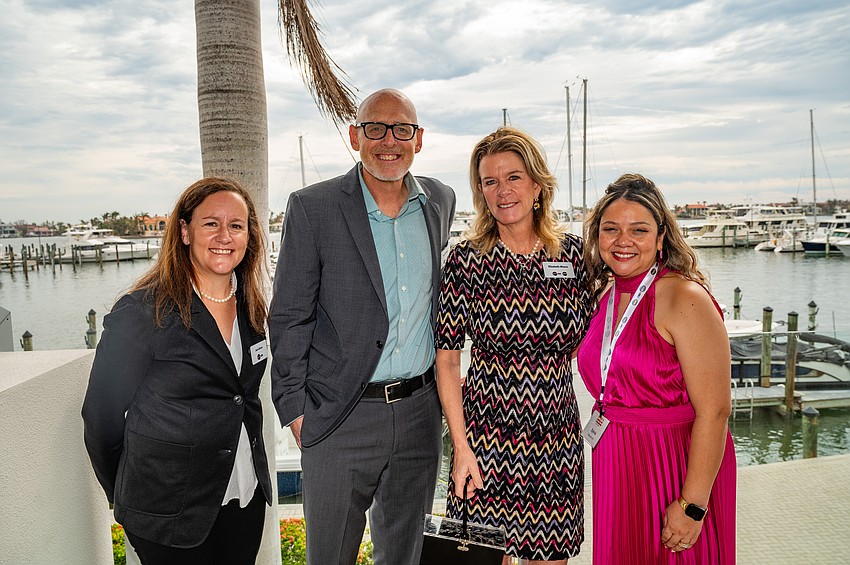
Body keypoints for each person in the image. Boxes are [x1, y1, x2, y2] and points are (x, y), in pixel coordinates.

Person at [268, 88, 456, 565]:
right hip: (339, 415)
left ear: (419, 139)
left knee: (405, 555)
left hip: (418, 414)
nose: (388, 140)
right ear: (355, 136)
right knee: (330, 555)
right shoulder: (314, 207)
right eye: (375, 128)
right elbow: (289, 314)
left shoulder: (440, 200)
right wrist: (295, 409)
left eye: (402, 129)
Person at [81, 178, 273, 564]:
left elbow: (240, 396)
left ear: (249, 236)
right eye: (210, 223)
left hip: (243, 496)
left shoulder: (252, 306)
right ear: (184, 231)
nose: (224, 235)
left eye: (236, 225)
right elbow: (100, 419)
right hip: (168, 514)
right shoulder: (143, 311)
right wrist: (128, 495)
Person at [435, 126, 592, 564]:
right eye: (490, 181)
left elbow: (600, 335)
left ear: (538, 185)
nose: (502, 191)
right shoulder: (466, 261)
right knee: (481, 558)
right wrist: (461, 449)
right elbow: (446, 361)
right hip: (485, 440)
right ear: (481, 193)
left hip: (556, 438)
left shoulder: (574, 256)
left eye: (514, 177)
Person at [576, 173, 736, 564]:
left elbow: (715, 410)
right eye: (611, 229)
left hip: (674, 461)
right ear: (597, 236)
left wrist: (693, 504)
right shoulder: (603, 295)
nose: (623, 241)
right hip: (617, 459)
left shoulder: (684, 296)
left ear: (661, 237)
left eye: (639, 230)